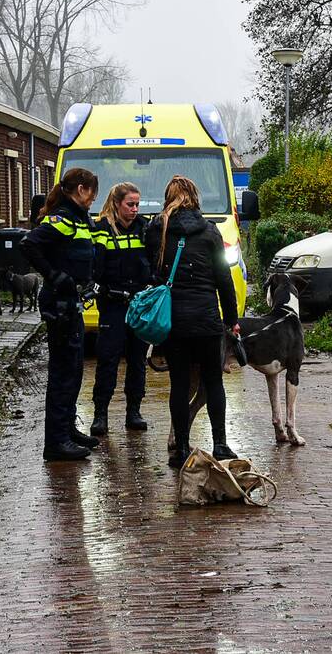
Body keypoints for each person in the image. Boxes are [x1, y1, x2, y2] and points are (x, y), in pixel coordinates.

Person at [145, 176, 240, 468]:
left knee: (179, 383)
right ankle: (221, 444)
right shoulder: (210, 232)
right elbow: (224, 279)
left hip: (175, 323)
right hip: (207, 319)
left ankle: (182, 448)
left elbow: (152, 273)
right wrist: (231, 320)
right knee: (213, 382)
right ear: (195, 198)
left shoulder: (156, 230)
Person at [20, 168, 103, 461]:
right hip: (60, 306)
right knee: (63, 374)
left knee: (75, 370)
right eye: (92, 192)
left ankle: (67, 429)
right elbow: (29, 244)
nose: (94, 198)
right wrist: (55, 276)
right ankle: (56, 442)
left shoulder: (78, 218)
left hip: (72, 304)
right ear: (80, 189)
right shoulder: (62, 218)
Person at [90, 182, 151, 436]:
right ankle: (100, 414)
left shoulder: (144, 228)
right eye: (130, 204)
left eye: (137, 204)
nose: (135, 209)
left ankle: (133, 411)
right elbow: (94, 268)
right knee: (108, 360)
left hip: (138, 305)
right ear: (117, 204)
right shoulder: (102, 229)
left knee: (137, 361)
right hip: (112, 305)